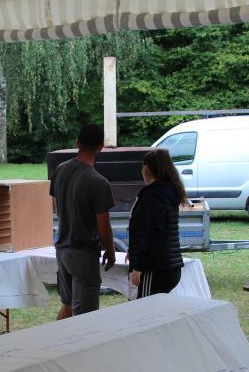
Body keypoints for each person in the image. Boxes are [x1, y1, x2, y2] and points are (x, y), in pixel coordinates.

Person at [50, 122, 116, 318]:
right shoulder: (99, 182)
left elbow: (56, 207)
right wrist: (111, 251)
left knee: (67, 306)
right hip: (83, 254)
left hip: (62, 250)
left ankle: (56, 339)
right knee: (86, 317)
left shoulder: (60, 170)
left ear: (77, 143)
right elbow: (103, 229)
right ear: (101, 147)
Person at [127, 148, 187, 298]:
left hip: (155, 268)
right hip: (169, 265)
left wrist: (139, 267)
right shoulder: (169, 191)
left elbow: (153, 234)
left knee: (145, 309)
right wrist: (134, 252)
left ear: (147, 169)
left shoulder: (153, 195)